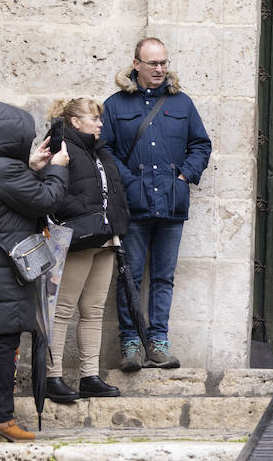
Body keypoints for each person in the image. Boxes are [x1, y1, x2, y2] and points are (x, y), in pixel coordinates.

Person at [0, 79, 70, 443]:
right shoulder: (5, 172)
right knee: (1, 343)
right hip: (1, 271)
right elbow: (47, 200)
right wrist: (57, 167)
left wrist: (29, 166)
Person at [101, 37, 212, 372]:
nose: (160, 69)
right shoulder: (115, 104)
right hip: (133, 206)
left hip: (171, 205)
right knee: (129, 277)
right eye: (153, 64)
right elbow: (103, 149)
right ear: (136, 64)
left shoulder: (182, 104)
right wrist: (128, 181)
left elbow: (201, 145)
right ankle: (131, 343)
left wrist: (184, 176)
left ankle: (159, 342)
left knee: (163, 277)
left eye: (164, 63)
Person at [45, 97, 129, 404]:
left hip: (106, 239)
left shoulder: (100, 150)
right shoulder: (60, 146)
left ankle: (89, 376)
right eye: (94, 118)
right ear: (75, 122)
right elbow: (52, 191)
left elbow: (114, 191)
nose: (100, 123)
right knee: (62, 309)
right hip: (78, 238)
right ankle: (52, 377)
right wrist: (84, 214)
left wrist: (117, 223)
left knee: (93, 311)